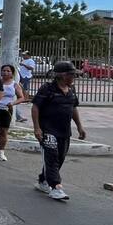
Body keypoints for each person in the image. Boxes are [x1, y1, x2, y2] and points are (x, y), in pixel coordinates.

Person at [32, 61, 86, 201]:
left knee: (60, 158)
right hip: (48, 130)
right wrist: (37, 128)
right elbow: (35, 107)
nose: (74, 77)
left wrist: (80, 127)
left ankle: (43, 181)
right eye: (71, 74)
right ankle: (56, 187)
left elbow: (73, 108)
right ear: (62, 75)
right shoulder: (47, 89)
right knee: (51, 157)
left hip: (64, 131)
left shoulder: (71, 90)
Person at [0, 64, 28, 161]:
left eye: (8, 71)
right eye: (4, 70)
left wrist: (12, 103)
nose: (5, 72)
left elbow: (22, 98)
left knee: (3, 131)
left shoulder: (14, 84)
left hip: (6, 109)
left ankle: (1, 152)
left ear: (12, 73)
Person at [16, 51, 36, 122]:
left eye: (24, 55)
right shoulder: (24, 60)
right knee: (22, 88)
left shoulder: (30, 61)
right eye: (23, 55)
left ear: (28, 55)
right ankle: (23, 98)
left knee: (25, 88)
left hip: (26, 76)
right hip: (22, 76)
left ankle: (25, 99)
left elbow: (31, 68)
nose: (23, 56)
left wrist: (24, 65)